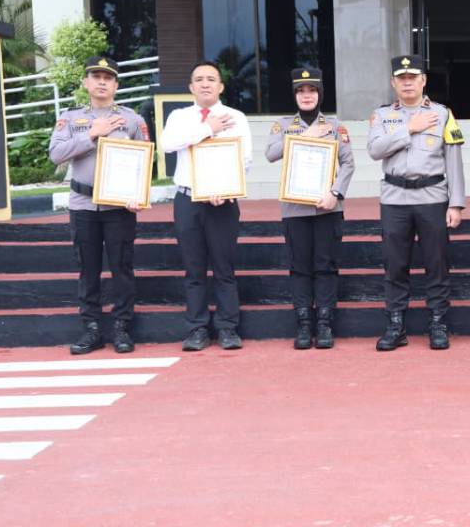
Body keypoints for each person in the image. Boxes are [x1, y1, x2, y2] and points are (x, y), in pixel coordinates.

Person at [48, 56, 149, 355]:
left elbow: (144, 161)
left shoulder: (132, 119)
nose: (102, 82)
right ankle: (91, 328)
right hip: (83, 205)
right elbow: (56, 154)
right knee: (87, 269)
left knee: (122, 268)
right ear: (86, 82)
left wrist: (138, 195)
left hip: (119, 207)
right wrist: (93, 133)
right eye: (96, 76)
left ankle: (121, 327)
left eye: (108, 77)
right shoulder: (70, 118)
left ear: (116, 85)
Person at [367, 55, 466, 351]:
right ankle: (396, 324)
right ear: (393, 83)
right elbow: (375, 149)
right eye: (402, 78)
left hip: (432, 196)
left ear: (423, 80)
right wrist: (409, 128)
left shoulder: (442, 114)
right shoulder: (382, 116)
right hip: (395, 198)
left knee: (437, 263)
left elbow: (454, 161)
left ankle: (438, 322)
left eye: (413, 77)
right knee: (395, 264)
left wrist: (456, 203)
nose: (407, 82)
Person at [159, 61, 253, 351]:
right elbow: (168, 144)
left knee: (224, 268)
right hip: (188, 200)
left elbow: (244, 159)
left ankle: (227, 328)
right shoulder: (179, 117)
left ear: (221, 86)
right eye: (199, 79)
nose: (205, 84)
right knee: (194, 268)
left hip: (223, 200)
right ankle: (197, 328)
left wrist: (226, 188)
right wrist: (206, 128)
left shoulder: (236, 117)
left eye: (211, 79)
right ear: (191, 87)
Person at [266, 67, 355, 350]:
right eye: (301, 91)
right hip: (295, 208)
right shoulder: (283, 125)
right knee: (300, 267)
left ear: (320, 94)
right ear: (294, 95)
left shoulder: (335, 125)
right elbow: (271, 154)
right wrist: (308, 135)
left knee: (326, 266)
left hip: (327, 207)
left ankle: (325, 323)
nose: (307, 96)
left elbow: (348, 163)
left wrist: (335, 193)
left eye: (312, 90)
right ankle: (304, 324)